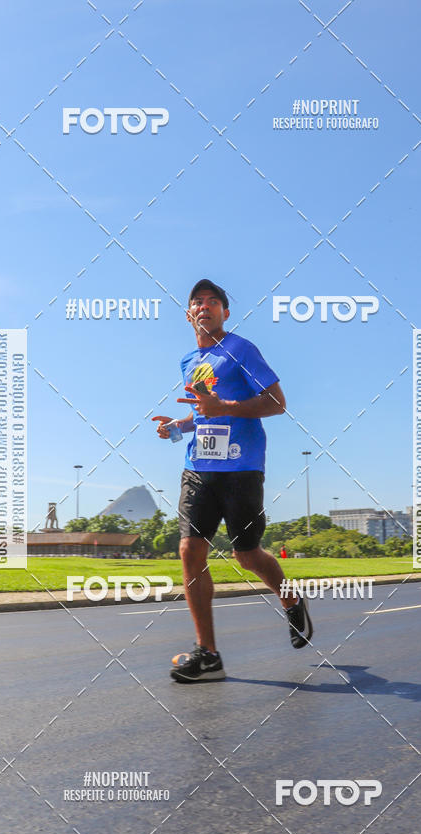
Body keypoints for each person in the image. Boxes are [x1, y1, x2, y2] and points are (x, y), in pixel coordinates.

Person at [152, 278, 313, 683]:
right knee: (190, 549)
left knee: (246, 554)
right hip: (200, 468)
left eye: (212, 302)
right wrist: (177, 426)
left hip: (241, 467)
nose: (203, 306)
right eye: (196, 302)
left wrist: (223, 405)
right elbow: (206, 414)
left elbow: (277, 403)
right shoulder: (188, 359)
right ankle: (208, 654)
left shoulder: (241, 349)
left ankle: (290, 597)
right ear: (188, 314)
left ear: (225, 312)